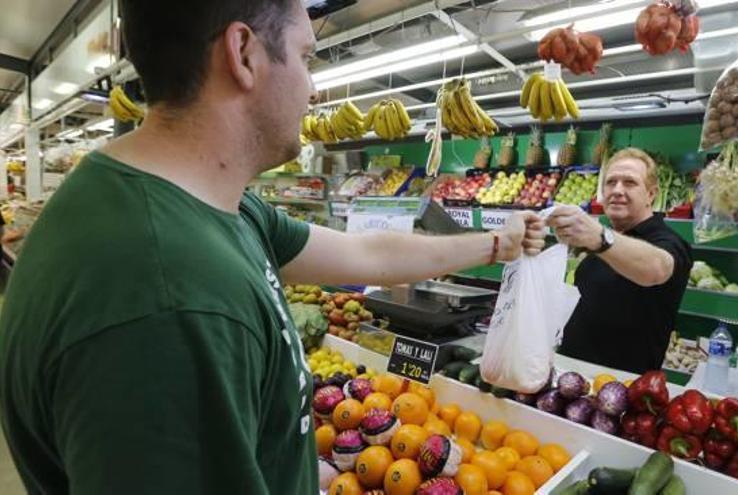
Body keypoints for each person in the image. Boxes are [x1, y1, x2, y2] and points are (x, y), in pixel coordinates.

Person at [0, 1, 546, 493]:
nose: (313, 88)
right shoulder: (169, 298)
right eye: (307, 57)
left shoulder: (212, 205)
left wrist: (498, 243)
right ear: (243, 53)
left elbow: (367, 256)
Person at [548, 148, 692, 374]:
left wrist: (599, 238)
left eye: (630, 183)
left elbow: (657, 268)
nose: (617, 190)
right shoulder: (606, 239)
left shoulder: (670, 242)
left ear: (651, 194)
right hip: (571, 377)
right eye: (610, 182)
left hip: (622, 389)